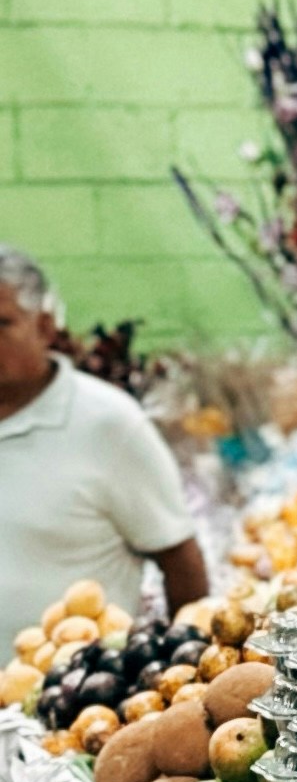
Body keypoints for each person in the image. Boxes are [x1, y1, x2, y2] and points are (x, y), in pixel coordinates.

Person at [0, 249, 205, 646]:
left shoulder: (108, 423)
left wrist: (186, 667)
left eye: (1, 324)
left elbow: (180, 558)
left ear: (44, 328)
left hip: (75, 695)